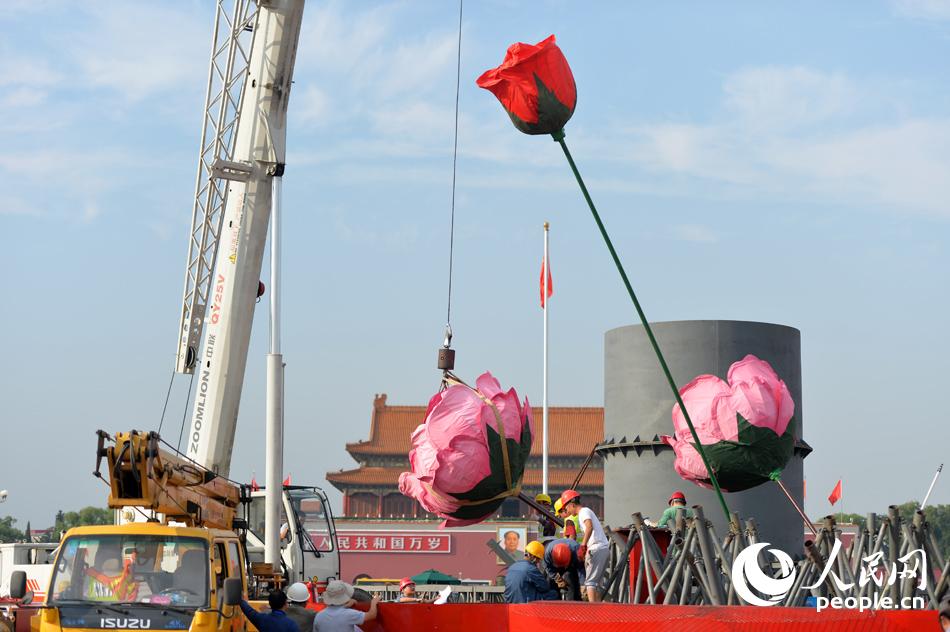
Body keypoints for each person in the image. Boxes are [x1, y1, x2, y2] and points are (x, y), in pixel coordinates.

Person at [560, 489, 609, 603]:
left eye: (566, 508)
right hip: (603, 549)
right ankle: (598, 610)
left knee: (590, 583)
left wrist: (583, 546)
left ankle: (592, 610)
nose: (566, 511)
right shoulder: (585, 512)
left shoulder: (583, 512)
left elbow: (589, 526)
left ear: (572, 504)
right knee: (596, 585)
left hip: (596, 549)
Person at [313, 580, 379, 632]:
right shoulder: (349, 614)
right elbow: (372, 615)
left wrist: (346, 605)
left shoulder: (319, 616)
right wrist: (373, 602)